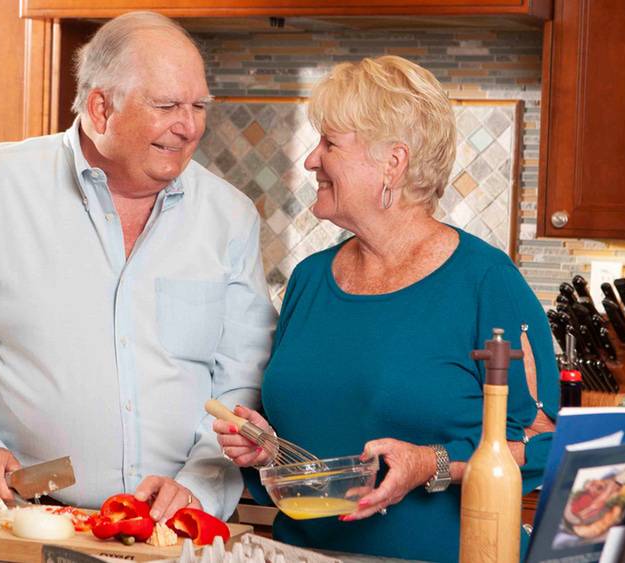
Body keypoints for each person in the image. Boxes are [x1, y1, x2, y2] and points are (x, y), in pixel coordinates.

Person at [0, 12, 275, 522]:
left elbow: (242, 381)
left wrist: (198, 486)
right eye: (167, 106)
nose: (189, 125)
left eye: (199, 106)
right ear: (100, 107)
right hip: (27, 520)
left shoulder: (229, 215)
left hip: (180, 532)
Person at [214, 55, 558, 562]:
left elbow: (544, 445)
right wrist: (269, 451)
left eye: (329, 143)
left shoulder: (485, 282)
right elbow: (315, 435)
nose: (311, 160)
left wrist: (433, 464)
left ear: (393, 162)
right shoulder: (310, 278)